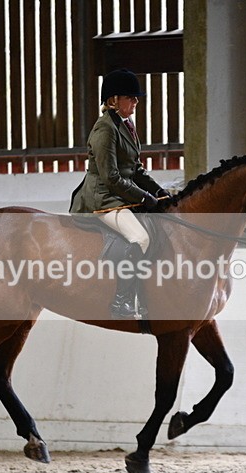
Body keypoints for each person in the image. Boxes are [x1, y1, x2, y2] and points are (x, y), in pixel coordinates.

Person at [70, 68, 169, 318]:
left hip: (120, 195)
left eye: (136, 98)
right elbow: (111, 178)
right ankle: (121, 302)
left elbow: (134, 170)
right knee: (140, 238)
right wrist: (143, 198)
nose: (136, 101)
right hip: (102, 198)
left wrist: (157, 190)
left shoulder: (126, 124)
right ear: (114, 100)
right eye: (130, 97)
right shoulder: (105, 129)